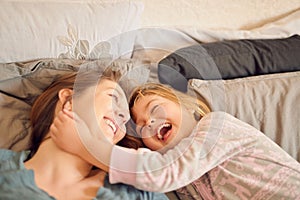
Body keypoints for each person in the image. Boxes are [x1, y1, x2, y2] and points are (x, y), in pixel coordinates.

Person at [51, 82, 300, 199]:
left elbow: (162, 172)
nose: (148, 122)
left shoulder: (217, 126)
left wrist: (87, 147)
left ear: (187, 106)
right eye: (140, 127)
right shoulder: (182, 187)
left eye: (155, 108)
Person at [0, 63, 167, 200]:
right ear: (69, 100)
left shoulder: (140, 191)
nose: (123, 116)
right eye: (113, 97)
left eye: (126, 121)